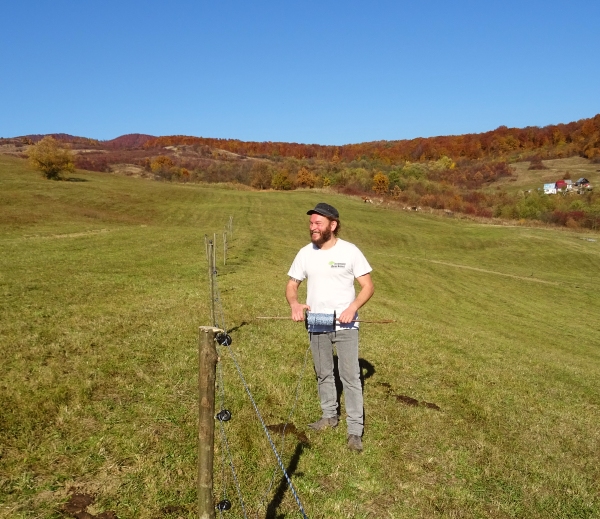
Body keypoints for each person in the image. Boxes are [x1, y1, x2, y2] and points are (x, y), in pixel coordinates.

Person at [286, 202, 374, 452]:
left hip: (345, 323)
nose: (312, 227)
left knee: (350, 377)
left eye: (318, 223)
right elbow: (292, 285)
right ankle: (329, 416)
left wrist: (352, 308)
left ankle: (355, 431)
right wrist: (294, 304)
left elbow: (368, 286)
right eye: (311, 223)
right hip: (317, 321)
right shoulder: (305, 253)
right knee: (324, 372)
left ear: (332, 225)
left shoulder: (350, 252)